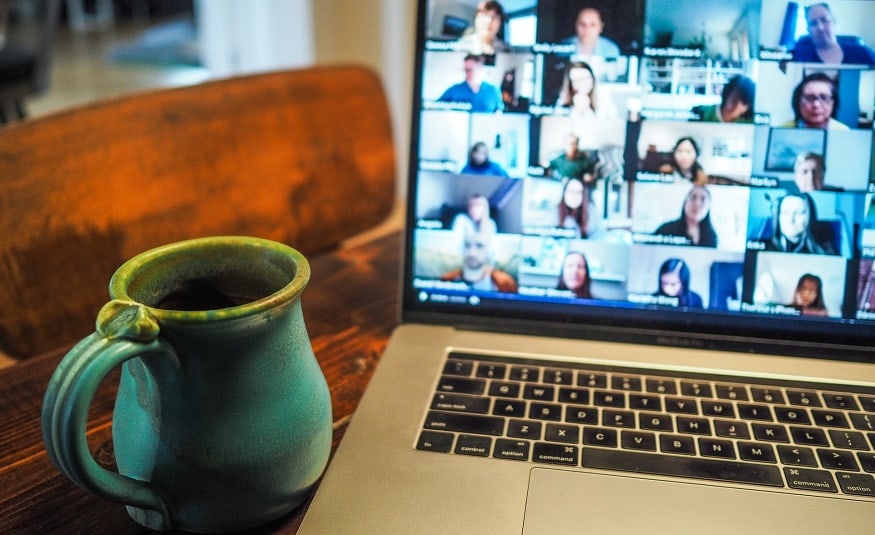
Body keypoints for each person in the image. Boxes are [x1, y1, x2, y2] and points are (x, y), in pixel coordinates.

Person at [556, 60, 618, 148]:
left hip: (600, 147)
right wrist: (578, 111)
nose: (582, 83)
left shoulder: (604, 96)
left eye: (586, 78)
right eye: (577, 80)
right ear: (570, 83)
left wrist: (587, 112)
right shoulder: (563, 100)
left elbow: (614, 127)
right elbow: (562, 132)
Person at [791, 3, 875, 66]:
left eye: (825, 20)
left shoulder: (863, 53)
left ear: (834, 23)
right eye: (813, 23)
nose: (820, 27)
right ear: (808, 30)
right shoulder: (798, 57)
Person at [440, 231, 517, 292]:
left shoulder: (505, 283)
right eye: (467, 245)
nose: (472, 253)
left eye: (479, 246)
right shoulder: (447, 279)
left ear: (490, 251)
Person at [765, 193, 836, 255]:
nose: (791, 219)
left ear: (810, 216)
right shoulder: (763, 248)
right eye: (785, 213)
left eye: (799, 213)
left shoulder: (824, 252)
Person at [653, 185, 718, 247]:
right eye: (693, 197)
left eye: (703, 199)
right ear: (685, 202)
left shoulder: (712, 237)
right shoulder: (665, 230)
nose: (697, 204)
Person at [438, 54, 503, 113]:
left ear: (480, 68)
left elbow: (498, 112)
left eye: (470, 70)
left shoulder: (493, 90)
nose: (467, 73)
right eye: (465, 70)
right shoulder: (454, 90)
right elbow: (436, 107)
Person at [782, 72, 849, 130]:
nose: (816, 105)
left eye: (824, 98)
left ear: (833, 102)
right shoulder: (783, 130)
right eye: (809, 98)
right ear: (798, 102)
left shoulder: (844, 132)